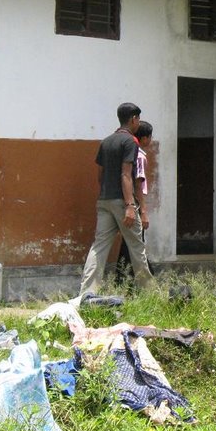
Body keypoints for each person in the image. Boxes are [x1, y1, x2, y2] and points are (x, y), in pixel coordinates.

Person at [78, 103, 154, 298]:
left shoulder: (106, 141)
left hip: (104, 200)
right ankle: (150, 294)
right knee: (137, 248)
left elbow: (100, 174)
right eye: (138, 119)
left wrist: (106, 195)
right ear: (134, 119)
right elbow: (127, 175)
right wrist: (130, 206)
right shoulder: (131, 142)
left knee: (99, 247)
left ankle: (86, 293)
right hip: (122, 202)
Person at [115, 120, 153, 283]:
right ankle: (144, 279)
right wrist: (142, 211)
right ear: (145, 138)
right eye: (150, 137)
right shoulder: (139, 155)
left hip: (127, 202)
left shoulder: (128, 152)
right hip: (134, 203)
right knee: (137, 243)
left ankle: (122, 279)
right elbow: (138, 184)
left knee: (129, 242)